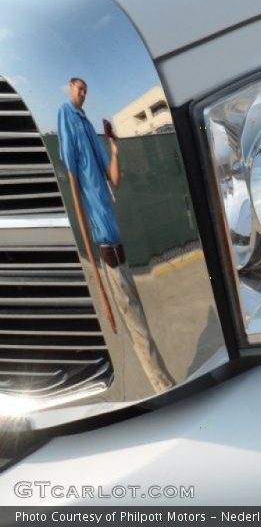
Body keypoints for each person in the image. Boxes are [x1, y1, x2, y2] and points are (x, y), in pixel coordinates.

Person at [57, 77, 174, 392]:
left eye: (86, 89)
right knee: (136, 323)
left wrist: (114, 148)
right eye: (78, 88)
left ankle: (161, 379)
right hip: (105, 245)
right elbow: (71, 175)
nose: (82, 93)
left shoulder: (90, 128)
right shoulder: (66, 115)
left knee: (139, 316)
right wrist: (91, 255)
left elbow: (115, 181)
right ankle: (162, 384)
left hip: (117, 239)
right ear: (70, 89)